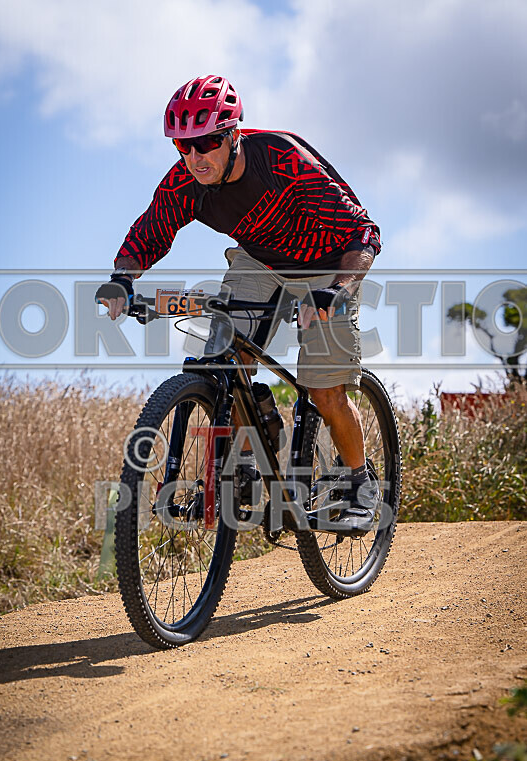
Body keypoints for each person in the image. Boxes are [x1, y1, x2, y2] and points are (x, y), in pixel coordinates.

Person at [96, 74, 381, 532]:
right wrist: (121, 279)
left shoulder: (282, 157)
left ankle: (361, 483)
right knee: (223, 358)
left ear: (232, 135)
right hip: (261, 261)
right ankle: (249, 454)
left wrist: (340, 290)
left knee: (324, 388)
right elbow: (152, 230)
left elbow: (364, 232)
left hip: (329, 261)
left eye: (206, 141)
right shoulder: (184, 183)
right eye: (182, 146)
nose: (194, 156)